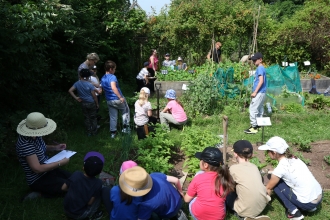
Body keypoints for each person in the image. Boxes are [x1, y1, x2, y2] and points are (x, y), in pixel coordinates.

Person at [258, 136, 323, 220]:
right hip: (319, 196)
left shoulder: (280, 169)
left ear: (274, 152)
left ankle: (294, 212)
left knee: (276, 184)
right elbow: (286, 171)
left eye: (268, 151)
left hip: (307, 203)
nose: (267, 153)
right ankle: (311, 208)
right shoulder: (294, 158)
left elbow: (268, 188)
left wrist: (263, 204)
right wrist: (271, 172)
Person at [16, 112, 71, 199]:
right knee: (69, 186)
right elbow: (37, 169)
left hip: (49, 170)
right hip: (38, 179)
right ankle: (39, 194)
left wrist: (55, 148)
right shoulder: (25, 144)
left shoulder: (35, 135)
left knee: (74, 178)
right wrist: (60, 163)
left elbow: (41, 147)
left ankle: (46, 191)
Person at [184, 147, 234, 220]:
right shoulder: (226, 178)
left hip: (199, 215)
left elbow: (186, 200)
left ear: (205, 165)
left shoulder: (198, 177)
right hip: (219, 217)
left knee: (192, 199)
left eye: (200, 160)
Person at [226, 140, 271, 220]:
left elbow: (228, 185)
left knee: (227, 194)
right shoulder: (254, 167)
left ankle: (244, 217)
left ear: (235, 154)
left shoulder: (233, 168)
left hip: (244, 211)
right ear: (251, 154)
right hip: (261, 207)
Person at [119, 166, 184, 219]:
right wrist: (180, 192)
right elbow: (176, 180)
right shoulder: (154, 175)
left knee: (154, 216)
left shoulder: (145, 204)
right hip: (178, 199)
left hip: (170, 212)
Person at [63, 151, 104, 220]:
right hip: (80, 215)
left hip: (66, 209)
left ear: (83, 168)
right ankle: (93, 214)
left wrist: (74, 190)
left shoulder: (76, 174)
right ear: (100, 172)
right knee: (100, 191)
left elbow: (63, 188)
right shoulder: (98, 183)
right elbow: (90, 203)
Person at [100, 60, 130, 138]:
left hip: (109, 100)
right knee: (125, 111)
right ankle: (125, 129)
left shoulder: (103, 78)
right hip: (117, 99)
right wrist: (120, 97)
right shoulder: (112, 77)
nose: (115, 70)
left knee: (113, 116)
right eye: (114, 69)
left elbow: (102, 89)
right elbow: (113, 87)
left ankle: (113, 133)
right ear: (111, 69)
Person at [69, 69, 99, 136]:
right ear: (88, 76)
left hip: (83, 103)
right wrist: (97, 104)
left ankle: (88, 132)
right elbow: (94, 96)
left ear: (80, 75)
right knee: (93, 117)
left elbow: (70, 90)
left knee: (86, 117)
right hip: (91, 103)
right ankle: (94, 132)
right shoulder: (90, 84)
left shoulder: (77, 83)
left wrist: (76, 98)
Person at [244, 52, 267, 134]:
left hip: (259, 92)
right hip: (262, 92)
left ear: (260, 60)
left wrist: (255, 92)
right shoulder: (262, 68)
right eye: (253, 60)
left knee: (252, 109)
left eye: (255, 60)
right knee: (260, 109)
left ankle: (254, 127)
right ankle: (259, 125)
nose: (253, 62)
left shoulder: (260, 68)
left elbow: (261, 81)